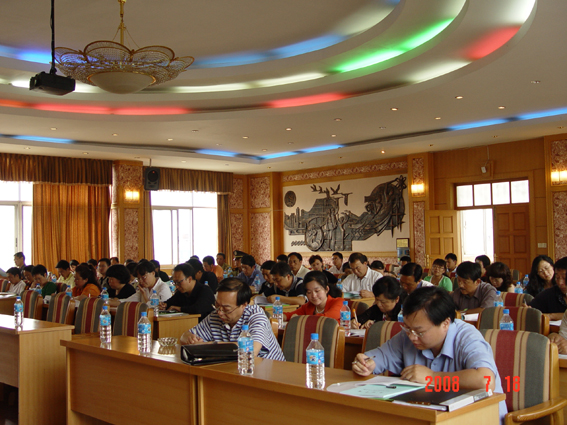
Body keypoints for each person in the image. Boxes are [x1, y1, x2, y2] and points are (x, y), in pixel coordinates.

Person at [352, 286, 506, 423]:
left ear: (445, 323)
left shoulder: (468, 338)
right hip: (431, 417)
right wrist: (367, 363)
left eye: (420, 332)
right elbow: (380, 356)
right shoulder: (408, 335)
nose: (412, 337)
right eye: (407, 328)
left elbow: (485, 380)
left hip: (478, 417)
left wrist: (432, 377)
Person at [180, 278, 285, 361]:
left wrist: (208, 345)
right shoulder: (215, 316)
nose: (220, 312)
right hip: (235, 369)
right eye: (217, 305)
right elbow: (183, 337)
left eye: (226, 309)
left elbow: (251, 349)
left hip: (270, 373)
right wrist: (191, 339)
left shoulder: (256, 315)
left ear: (243, 305)